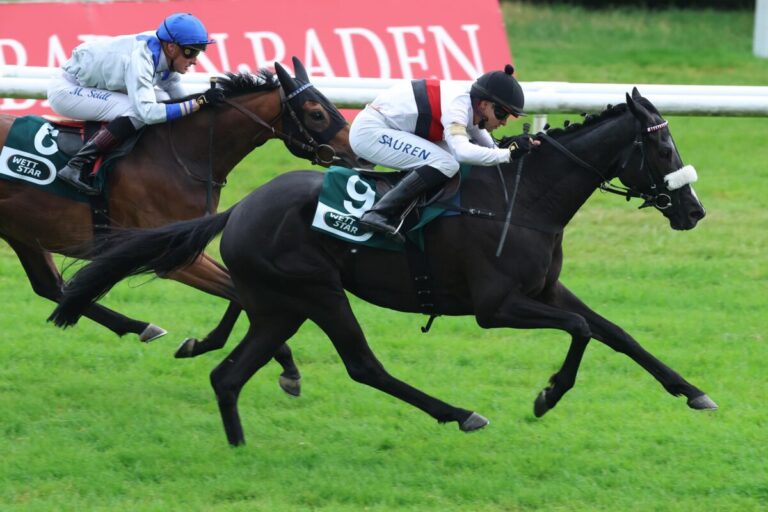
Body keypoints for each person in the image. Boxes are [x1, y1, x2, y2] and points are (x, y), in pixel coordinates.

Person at [350, 64, 539, 237]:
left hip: (390, 128)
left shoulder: (472, 110)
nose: (504, 122)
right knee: (446, 162)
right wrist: (507, 154)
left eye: (508, 117)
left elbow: (489, 148)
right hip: (371, 133)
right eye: (501, 114)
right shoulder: (458, 107)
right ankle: (379, 213)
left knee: (449, 159)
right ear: (483, 104)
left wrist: (516, 149)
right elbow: (463, 152)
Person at [47, 12, 225, 195]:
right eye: (192, 52)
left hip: (95, 84)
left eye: (199, 52)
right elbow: (148, 113)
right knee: (137, 112)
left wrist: (202, 103)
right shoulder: (141, 58)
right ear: (172, 48)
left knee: (163, 101)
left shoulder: (165, 49)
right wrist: (199, 102)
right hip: (67, 91)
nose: (195, 60)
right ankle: (77, 164)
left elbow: (177, 97)